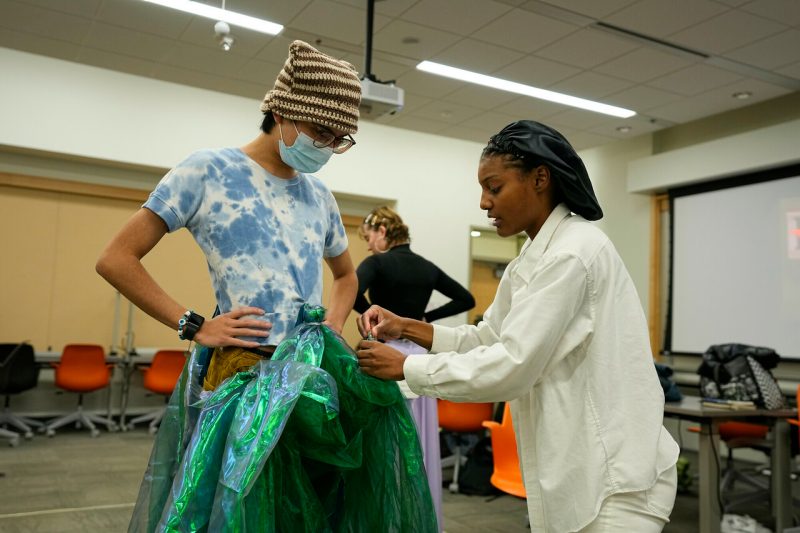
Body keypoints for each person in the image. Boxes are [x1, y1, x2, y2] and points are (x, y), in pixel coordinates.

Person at [97, 40, 436, 532]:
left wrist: (332, 327)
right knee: (241, 510)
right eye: (322, 132)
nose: (326, 147)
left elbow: (345, 276)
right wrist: (194, 325)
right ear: (282, 111)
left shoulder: (319, 196)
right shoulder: (208, 171)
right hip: (243, 376)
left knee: (314, 509)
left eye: (339, 139)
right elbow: (116, 258)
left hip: (310, 379)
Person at [356, 120, 680, 532]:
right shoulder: (530, 258)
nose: (483, 202)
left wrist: (406, 368)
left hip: (614, 477)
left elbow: (513, 365)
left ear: (540, 179)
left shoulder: (573, 252)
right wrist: (408, 328)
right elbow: (486, 338)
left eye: (494, 188)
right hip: (576, 467)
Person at [355, 205, 475, 529]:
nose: (368, 245)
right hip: (420, 357)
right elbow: (466, 299)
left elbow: (348, 287)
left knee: (386, 442)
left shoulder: (377, 263)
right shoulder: (427, 267)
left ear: (382, 232)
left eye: (368, 237)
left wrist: (371, 314)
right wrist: (425, 321)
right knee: (420, 441)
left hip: (385, 356)